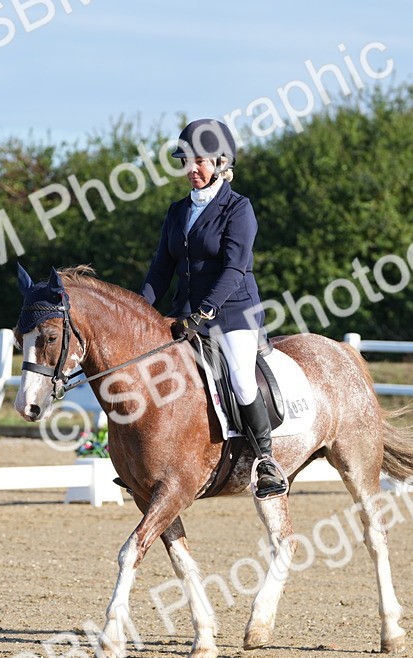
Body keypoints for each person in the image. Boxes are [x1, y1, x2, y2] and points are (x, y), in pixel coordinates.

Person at [139, 118, 287, 499]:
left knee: (239, 376)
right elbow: (161, 268)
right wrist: (141, 313)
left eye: (200, 161)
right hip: (185, 315)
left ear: (222, 163)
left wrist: (202, 313)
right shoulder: (177, 211)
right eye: (186, 161)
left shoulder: (238, 209)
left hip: (234, 313)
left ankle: (266, 460)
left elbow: (234, 269)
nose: (191, 170)